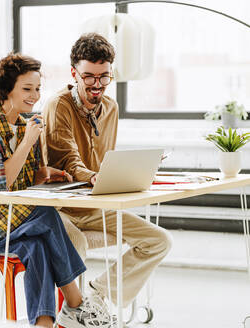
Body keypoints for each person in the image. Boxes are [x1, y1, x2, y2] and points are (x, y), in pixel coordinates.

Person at [0, 53, 114, 328]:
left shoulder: (24, 122)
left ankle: (43, 324)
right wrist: (27, 142)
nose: (34, 96)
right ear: (6, 90)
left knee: (37, 244)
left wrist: (41, 174)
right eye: (27, 89)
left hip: (0, 221)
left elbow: (19, 183)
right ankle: (76, 303)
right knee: (44, 213)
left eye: (38, 89)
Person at [42, 33, 173, 320]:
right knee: (76, 243)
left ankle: (97, 295)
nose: (97, 85)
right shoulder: (58, 105)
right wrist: (92, 178)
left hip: (95, 204)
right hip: (59, 206)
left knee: (158, 240)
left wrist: (126, 172)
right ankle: (76, 313)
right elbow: (68, 159)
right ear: (74, 73)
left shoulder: (111, 108)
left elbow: (105, 159)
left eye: (104, 77)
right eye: (89, 77)